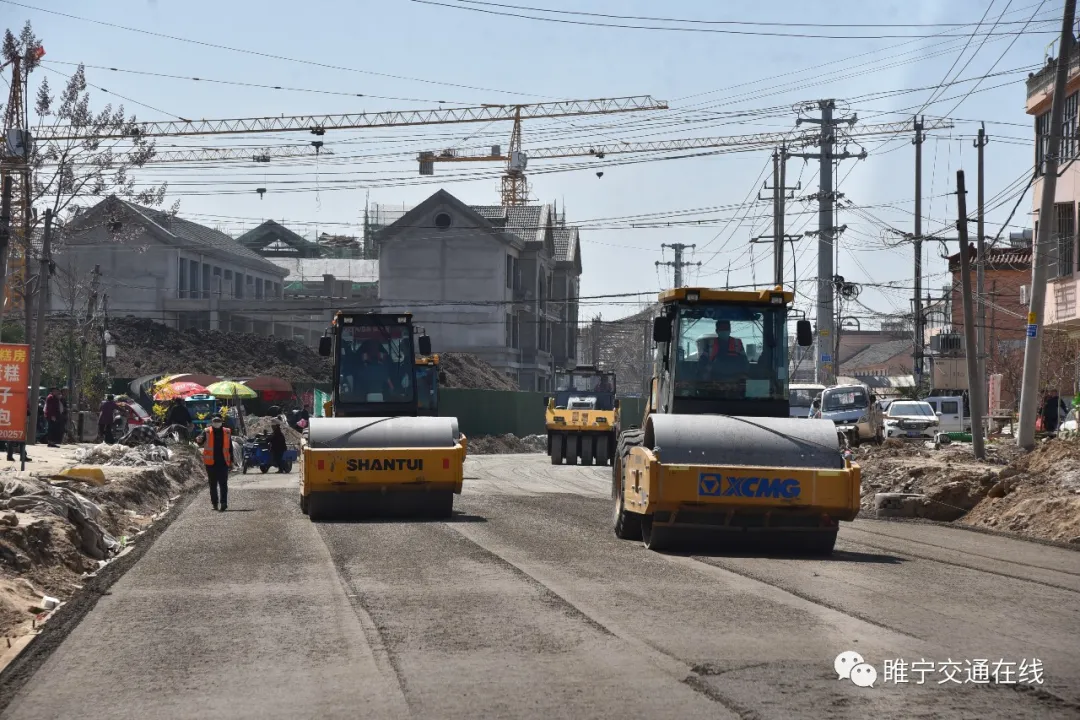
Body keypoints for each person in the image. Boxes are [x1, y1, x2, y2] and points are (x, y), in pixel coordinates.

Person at [196, 415, 232, 511]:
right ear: (212, 422)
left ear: (221, 422)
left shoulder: (227, 432)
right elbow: (200, 440)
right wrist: (199, 440)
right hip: (211, 463)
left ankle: (223, 502)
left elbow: (230, 447)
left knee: (223, 484)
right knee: (213, 484)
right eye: (215, 421)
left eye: (218, 421)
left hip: (223, 462)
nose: (217, 423)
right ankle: (215, 503)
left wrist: (231, 460)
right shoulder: (207, 431)